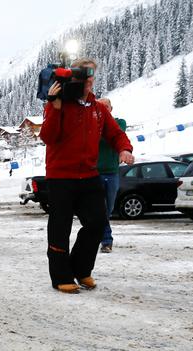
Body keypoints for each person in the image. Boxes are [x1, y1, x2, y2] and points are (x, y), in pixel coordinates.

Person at [39, 58, 134, 294]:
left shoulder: (98, 109)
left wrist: (124, 148)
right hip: (61, 176)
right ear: (74, 79)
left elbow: (115, 134)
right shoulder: (59, 103)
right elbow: (48, 137)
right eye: (85, 78)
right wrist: (53, 105)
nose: (89, 82)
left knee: (97, 222)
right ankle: (61, 276)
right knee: (60, 227)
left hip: (89, 174)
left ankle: (81, 270)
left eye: (92, 78)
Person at [96, 98, 127, 253]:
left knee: (108, 209)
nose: (104, 109)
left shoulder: (119, 122)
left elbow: (115, 137)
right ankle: (106, 241)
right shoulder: (92, 123)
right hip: (95, 174)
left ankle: (97, 235)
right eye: (101, 106)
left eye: (106, 106)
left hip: (112, 173)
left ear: (111, 108)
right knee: (100, 209)